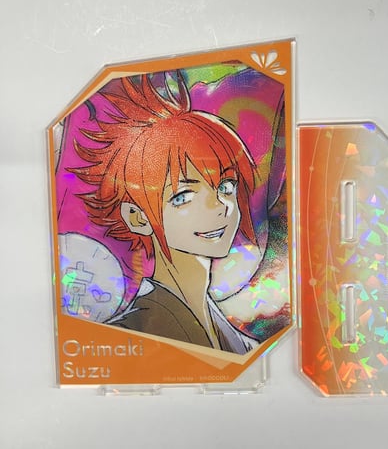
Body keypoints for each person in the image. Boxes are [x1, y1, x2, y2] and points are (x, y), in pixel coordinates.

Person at [69, 72, 259, 354]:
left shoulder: (243, 346)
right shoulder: (130, 336)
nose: (220, 205)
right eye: (183, 196)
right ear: (137, 217)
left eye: (225, 186)